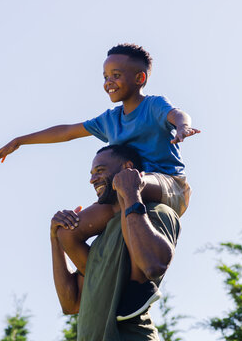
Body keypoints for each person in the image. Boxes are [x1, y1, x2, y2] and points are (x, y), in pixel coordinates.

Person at [0, 43, 199, 319]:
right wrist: (20, 141)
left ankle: (138, 288)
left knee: (127, 182)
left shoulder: (152, 105)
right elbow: (66, 132)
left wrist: (182, 126)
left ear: (140, 78)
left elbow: (177, 113)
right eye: (105, 76)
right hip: (128, 188)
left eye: (116, 75)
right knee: (70, 231)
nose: (109, 82)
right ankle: (106, 280)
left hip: (168, 185)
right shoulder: (110, 120)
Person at [51, 145, 181, 340]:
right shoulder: (101, 241)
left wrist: (131, 193)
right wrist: (55, 238)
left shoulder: (157, 212)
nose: (92, 179)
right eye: (92, 174)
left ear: (127, 168)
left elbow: (153, 265)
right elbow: (71, 303)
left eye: (100, 171)